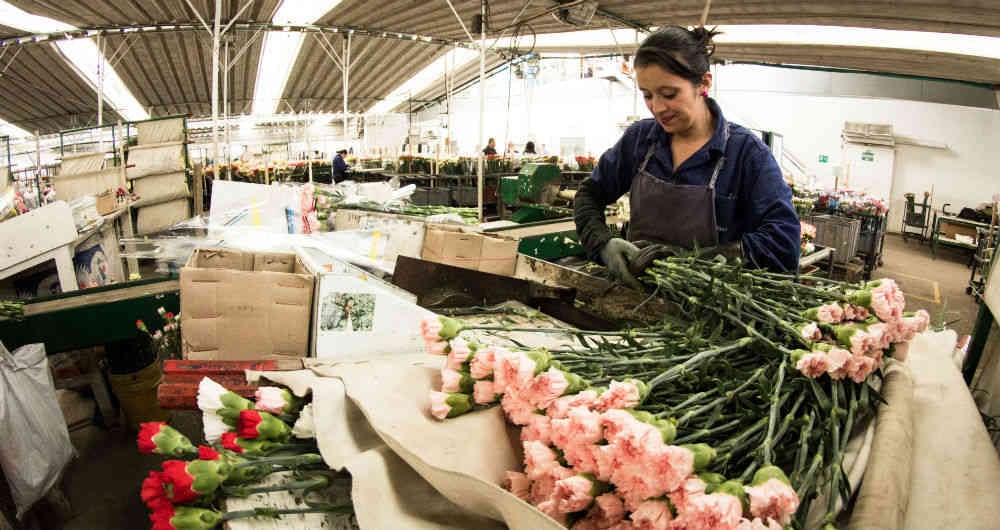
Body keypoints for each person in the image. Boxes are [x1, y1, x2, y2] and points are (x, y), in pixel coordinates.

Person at [573, 26, 800, 289]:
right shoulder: (639, 141)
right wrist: (602, 244)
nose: (657, 107)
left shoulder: (746, 155)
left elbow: (782, 242)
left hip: (704, 312)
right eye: (647, 95)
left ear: (703, 83)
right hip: (633, 296)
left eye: (669, 94)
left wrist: (694, 261)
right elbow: (589, 195)